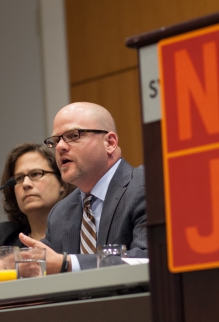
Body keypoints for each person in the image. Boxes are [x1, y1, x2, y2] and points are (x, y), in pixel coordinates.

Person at [19, 102, 147, 273]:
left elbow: (146, 259)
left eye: (73, 135)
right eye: (56, 141)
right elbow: (45, 264)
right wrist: (12, 264)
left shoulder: (145, 187)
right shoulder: (60, 213)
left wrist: (69, 264)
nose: (60, 147)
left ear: (109, 142)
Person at [0, 143, 72, 247]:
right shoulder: (4, 238)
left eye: (36, 174)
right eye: (19, 178)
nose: (25, 184)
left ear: (62, 182)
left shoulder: (81, 232)